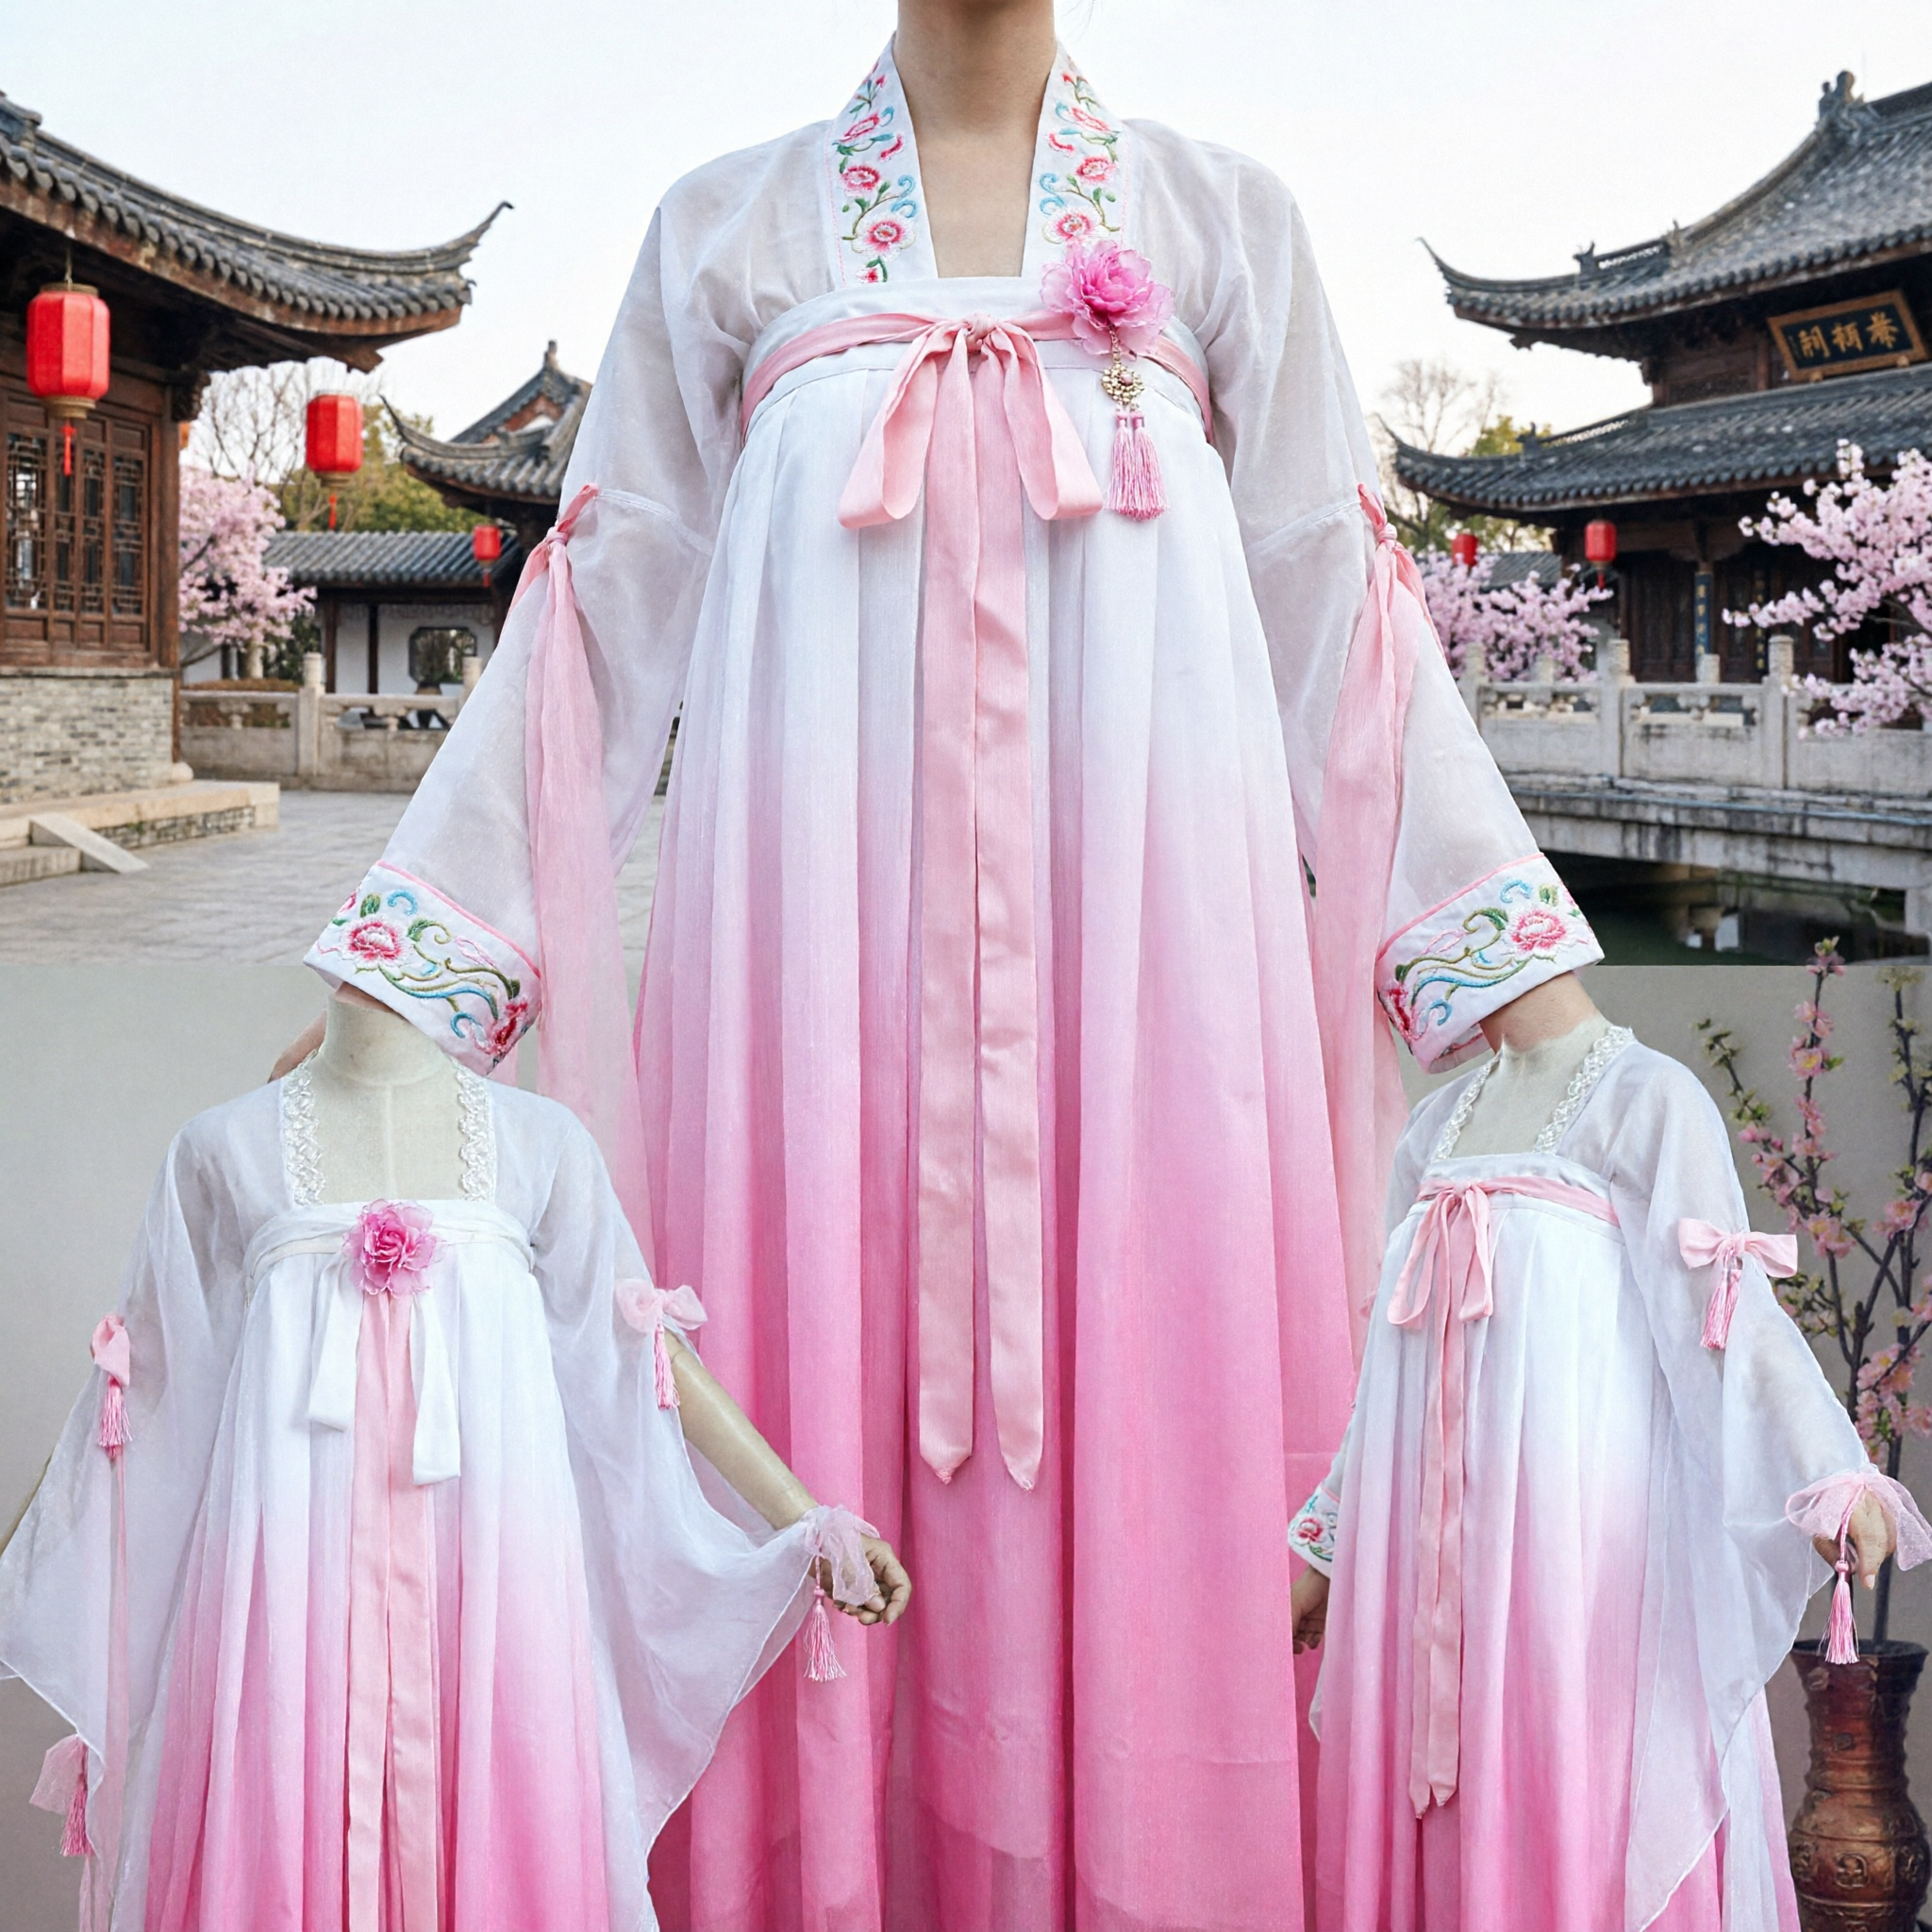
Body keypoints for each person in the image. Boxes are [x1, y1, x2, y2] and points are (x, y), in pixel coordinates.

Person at [280, 4, 1605, 1924]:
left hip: (1157, 1012)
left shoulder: (1221, 223)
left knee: (1172, 1514)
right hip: (804, 1013)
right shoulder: (728, 232)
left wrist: (1513, 969)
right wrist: (410, 956)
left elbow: (1340, 610)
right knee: (794, 1472)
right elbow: (603, 602)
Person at [0, 988, 908, 1932]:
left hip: (496, 1585)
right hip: (287, 1592)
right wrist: (16, 1559)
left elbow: (644, 1354)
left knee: (505, 1808)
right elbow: (133, 1384)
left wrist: (805, 1516)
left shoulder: (541, 1143)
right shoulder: (222, 1146)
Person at [1288, 984, 1928, 1932]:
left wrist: (1829, 1470)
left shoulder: (1644, 1100)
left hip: (1580, 1589)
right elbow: (1384, 1381)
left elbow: (1725, 1319)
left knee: (1582, 1828)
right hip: (1426, 1596)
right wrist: (1325, 1541)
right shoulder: (1430, 1132)